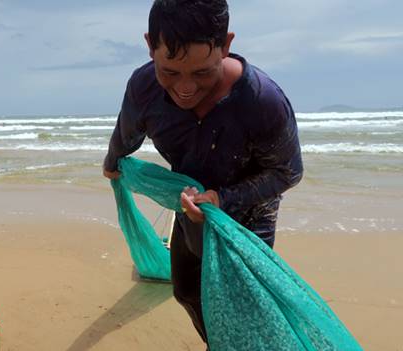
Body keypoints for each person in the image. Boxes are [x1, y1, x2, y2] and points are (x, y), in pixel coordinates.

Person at [102, 0, 303, 345]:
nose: (184, 88)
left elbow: (287, 172)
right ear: (151, 46)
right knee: (186, 291)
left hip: (246, 222)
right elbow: (126, 133)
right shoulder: (144, 89)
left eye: (201, 73)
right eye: (170, 71)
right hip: (189, 208)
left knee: (241, 311)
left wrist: (224, 199)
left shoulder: (262, 102)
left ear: (226, 44)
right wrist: (113, 163)